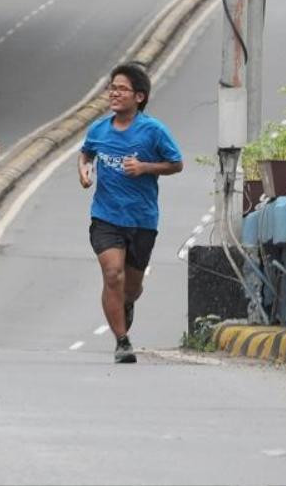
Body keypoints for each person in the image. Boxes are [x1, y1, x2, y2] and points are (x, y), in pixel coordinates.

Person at [78, 62, 183, 364]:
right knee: (113, 274)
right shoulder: (98, 129)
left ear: (139, 96)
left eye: (121, 89)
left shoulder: (154, 131)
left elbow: (176, 163)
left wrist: (145, 168)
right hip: (105, 216)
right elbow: (86, 152)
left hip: (142, 219)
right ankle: (122, 341)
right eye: (112, 88)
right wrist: (85, 171)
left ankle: (126, 304)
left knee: (131, 287)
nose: (114, 93)